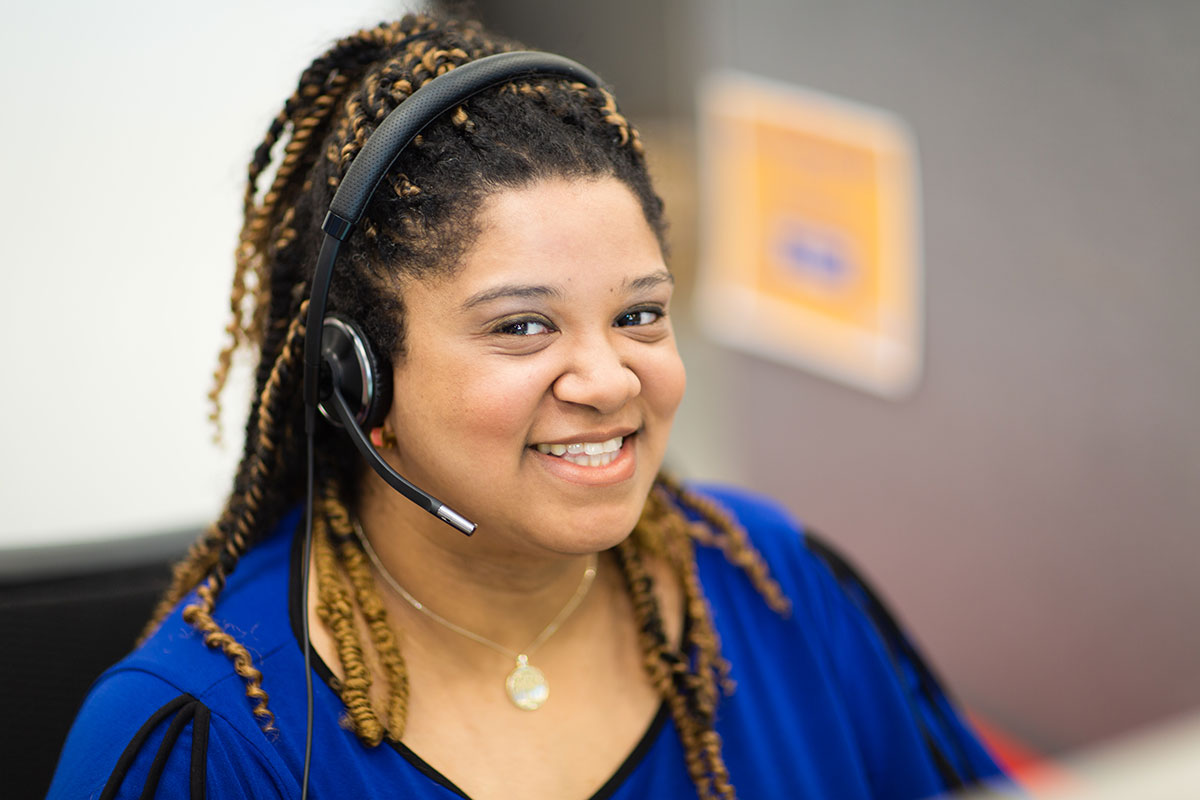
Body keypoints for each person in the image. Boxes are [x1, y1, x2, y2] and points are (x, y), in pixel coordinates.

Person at [50, 13, 1004, 800]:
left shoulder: (779, 590)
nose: (612, 379)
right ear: (357, 380)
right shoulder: (208, 736)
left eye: (639, 314)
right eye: (523, 328)